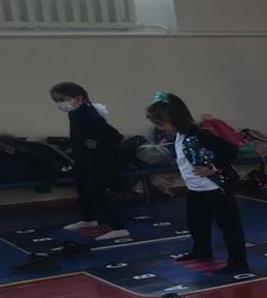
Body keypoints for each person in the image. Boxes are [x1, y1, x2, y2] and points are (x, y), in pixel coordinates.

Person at [145, 92, 248, 274]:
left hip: (215, 186)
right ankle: (202, 251)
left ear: (175, 119)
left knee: (228, 225)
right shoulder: (179, 136)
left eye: (162, 124)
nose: (161, 129)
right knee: (196, 222)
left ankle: (238, 262)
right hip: (195, 187)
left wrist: (213, 167)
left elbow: (230, 150)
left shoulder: (200, 135)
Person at [50, 82, 127, 241]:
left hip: (99, 160)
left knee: (98, 192)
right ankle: (89, 219)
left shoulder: (89, 115)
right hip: (82, 159)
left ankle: (118, 227)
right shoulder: (74, 113)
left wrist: (95, 143)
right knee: (83, 188)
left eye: (62, 100)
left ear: (78, 98)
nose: (59, 104)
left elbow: (114, 136)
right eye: (56, 101)